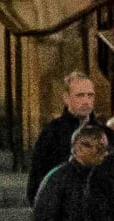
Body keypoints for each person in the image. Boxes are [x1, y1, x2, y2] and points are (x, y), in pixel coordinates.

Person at [26, 73, 99, 205]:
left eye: (90, 95)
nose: (86, 101)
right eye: (80, 95)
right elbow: (37, 180)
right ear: (66, 98)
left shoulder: (104, 133)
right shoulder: (51, 134)